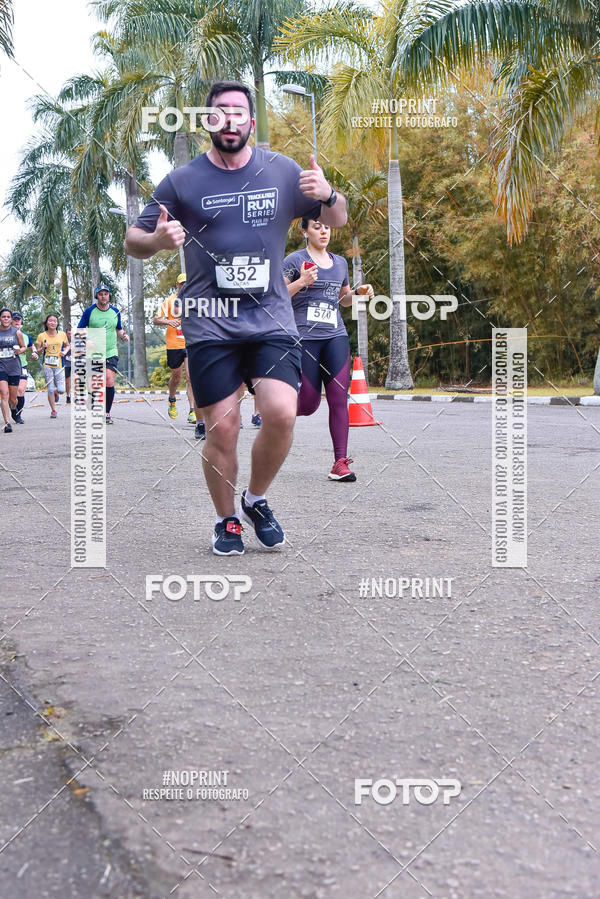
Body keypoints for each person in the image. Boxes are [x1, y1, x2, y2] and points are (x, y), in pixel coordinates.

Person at [125, 79, 347, 554]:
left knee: (282, 413)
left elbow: (339, 217)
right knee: (222, 426)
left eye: (238, 112)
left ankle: (256, 498)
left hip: (271, 319)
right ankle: (227, 520)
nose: (229, 120)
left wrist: (328, 194)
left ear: (251, 120)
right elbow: (133, 240)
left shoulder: (282, 171)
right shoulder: (182, 181)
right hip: (210, 321)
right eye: (219, 112)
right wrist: (159, 241)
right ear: (208, 121)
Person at [284, 219, 374, 482]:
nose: (324, 231)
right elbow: (277, 295)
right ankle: (276, 410)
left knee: (338, 399)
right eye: (317, 227)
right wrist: (301, 281)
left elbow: (342, 299)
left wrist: (357, 292)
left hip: (335, 336)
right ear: (304, 232)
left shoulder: (340, 263)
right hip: (304, 339)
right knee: (310, 403)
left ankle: (340, 462)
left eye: (327, 227)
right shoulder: (294, 260)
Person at [153, 272, 206, 438]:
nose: (184, 286)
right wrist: (169, 321)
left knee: (191, 377)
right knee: (176, 377)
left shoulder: (194, 301)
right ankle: (172, 399)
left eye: (186, 284)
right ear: (177, 285)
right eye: (181, 284)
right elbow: (156, 319)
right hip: (174, 344)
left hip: (190, 344)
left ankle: (192, 411)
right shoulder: (170, 301)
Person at [78, 284, 130, 424]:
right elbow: (80, 330)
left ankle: (106, 412)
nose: (103, 296)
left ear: (109, 296)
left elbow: (119, 329)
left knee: (109, 379)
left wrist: (124, 335)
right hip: (94, 352)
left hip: (110, 351)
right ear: (97, 296)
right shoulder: (89, 311)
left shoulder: (115, 311)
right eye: (100, 294)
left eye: (105, 294)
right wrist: (86, 340)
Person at [35, 313, 69, 418]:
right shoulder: (41, 336)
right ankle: (53, 410)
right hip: (47, 365)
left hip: (59, 364)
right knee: (49, 388)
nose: (52, 322)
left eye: (55, 321)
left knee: (62, 390)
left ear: (57, 323)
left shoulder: (62, 334)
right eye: (50, 320)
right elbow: (37, 352)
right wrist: (42, 348)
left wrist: (65, 352)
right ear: (46, 323)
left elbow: (68, 345)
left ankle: (56, 392)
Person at [0, 308, 25, 432]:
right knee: (4, 393)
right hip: (1, 367)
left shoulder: (16, 332)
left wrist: (20, 350)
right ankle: (7, 423)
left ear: (10, 319)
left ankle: (13, 409)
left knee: (13, 399)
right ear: (0, 318)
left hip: (14, 367)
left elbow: (24, 347)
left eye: (8, 317)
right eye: (3, 317)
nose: (5, 319)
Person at [11, 311, 39, 424]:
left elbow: (32, 346)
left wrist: (35, 353)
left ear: (21, 321)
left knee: (21, 390)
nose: (17, 321)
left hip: (22, 365)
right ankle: (13, 409)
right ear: (11, 321)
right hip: (8, 366)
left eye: (19, 319)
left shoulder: (26, 336)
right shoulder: (5, 335)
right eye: (15, 319)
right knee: (10, 394)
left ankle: (18, 415)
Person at [64, 327, 72, 403]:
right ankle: (68, 396)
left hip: (76, 363)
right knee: (67, 382)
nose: (70, 335)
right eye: (69, 333)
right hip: (66, 364)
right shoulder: (64, 341)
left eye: (71, 333)